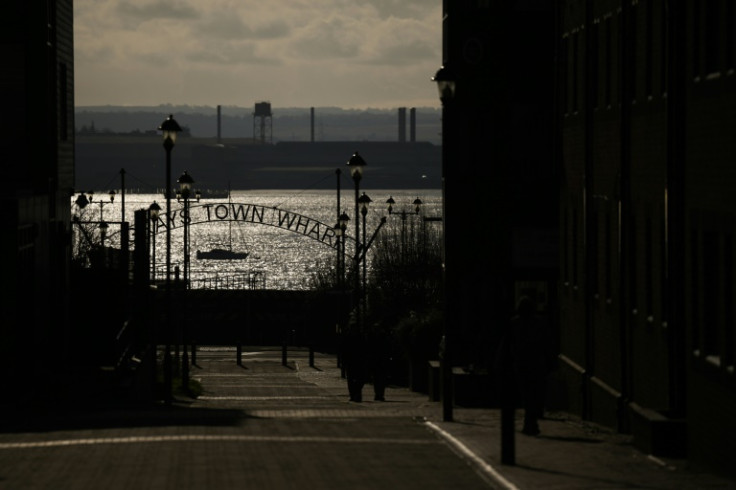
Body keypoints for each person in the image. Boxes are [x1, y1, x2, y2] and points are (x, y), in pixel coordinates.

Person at [502, 296, 555, 436]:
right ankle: (531, 422)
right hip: (536, 364)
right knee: (534, 393)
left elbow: (507, 345)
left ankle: (530, 422)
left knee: (527, 394)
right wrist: (550, 361)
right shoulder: (540, 323)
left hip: (522, 364)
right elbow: (547, 344)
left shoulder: (514, 324)